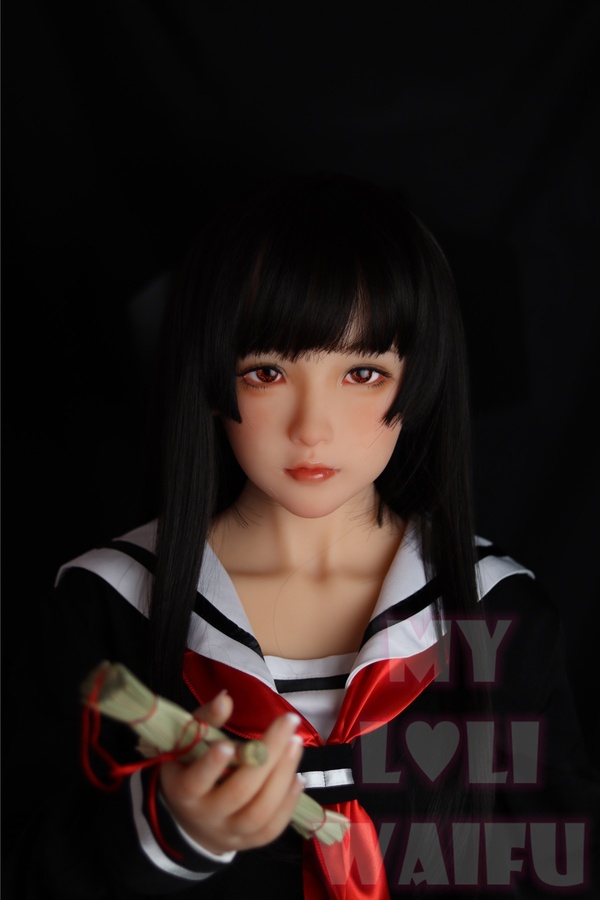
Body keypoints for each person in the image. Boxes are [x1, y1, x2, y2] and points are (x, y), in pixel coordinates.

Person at [3, 174, 598, 899]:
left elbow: (560, 866)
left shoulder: (498, 612)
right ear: (211, 376)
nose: (312, 427)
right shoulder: (104, 610)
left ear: (420, 379)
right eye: (268, 371)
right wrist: (165, 829)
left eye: (363, 372)